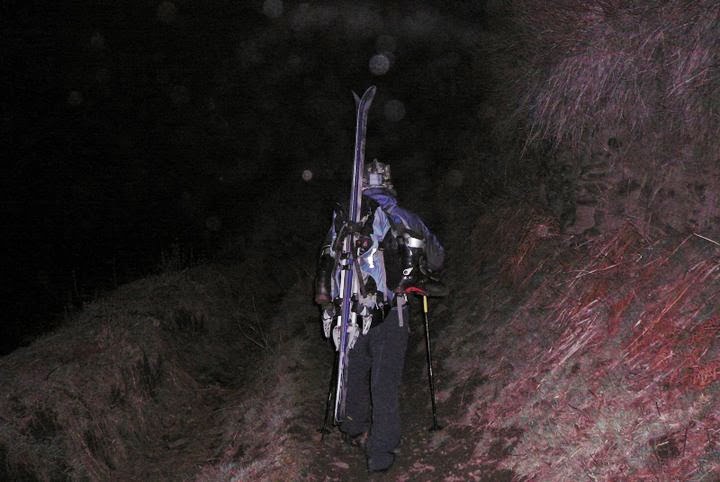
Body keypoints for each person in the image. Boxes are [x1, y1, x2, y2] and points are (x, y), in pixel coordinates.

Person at [314, 159, 446, 473]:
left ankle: (353, 427)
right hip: (390, 313)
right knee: (384, 383)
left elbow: (327, 261)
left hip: (349, 313)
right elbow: (437, 258)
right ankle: (381, 454)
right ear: (387, 182)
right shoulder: (402, 216)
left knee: (354, 370)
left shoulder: (342, 218)